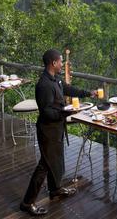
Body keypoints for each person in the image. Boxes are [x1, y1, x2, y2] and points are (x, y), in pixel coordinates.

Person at [20, 49, 96, 216]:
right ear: (53, 63)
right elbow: (46, 112)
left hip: (57, 128)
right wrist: (66, 112)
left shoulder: (55, 80)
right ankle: (27, 202)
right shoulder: (44, 85)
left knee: (57, 160)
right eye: (61, 61)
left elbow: (68, 89)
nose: (63, 64)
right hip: (48, 130)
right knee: (45, 165)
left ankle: (55, 190)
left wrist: (88, 93)